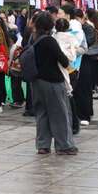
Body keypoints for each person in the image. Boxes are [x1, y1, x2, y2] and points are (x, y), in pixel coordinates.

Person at [31, 12, 78, 155]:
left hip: (37, 81)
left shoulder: (34, 39)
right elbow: (63, 60)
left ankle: (43, 145)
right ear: (50, 26)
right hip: (53, 81)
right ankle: (64, 145)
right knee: (59, 113)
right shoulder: (50, 41)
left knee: (42, 114)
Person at [73, 9, 97, 126]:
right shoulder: (75, 29)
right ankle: (81, 113)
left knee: (84, 88)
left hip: (85, 60)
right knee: (78, 89)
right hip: (77, 61)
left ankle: (85, 114)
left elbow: (88, 42)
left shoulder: (87, 28)